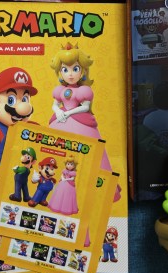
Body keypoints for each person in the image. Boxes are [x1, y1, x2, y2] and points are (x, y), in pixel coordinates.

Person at [48, 43, 120, 202]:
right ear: (60, 72)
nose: (70, 74)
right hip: (60, 121)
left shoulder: (84, 90)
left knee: (91, 156)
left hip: (80, 124)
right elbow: (55, 104)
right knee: (57, 154)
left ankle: (91, 190)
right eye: (65, 70)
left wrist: (68, 112)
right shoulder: (60, 90)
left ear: (82, 71)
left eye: (75, 69)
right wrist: (58, 111)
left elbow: (85, 107)